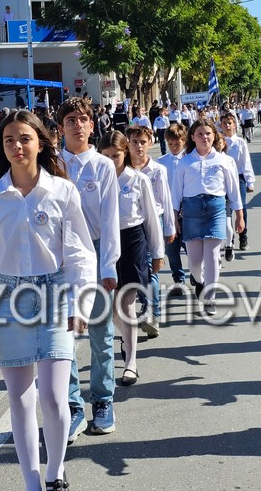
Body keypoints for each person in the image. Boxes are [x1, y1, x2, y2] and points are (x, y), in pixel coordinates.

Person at [0, 109, 96, 491]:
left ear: (40, 143)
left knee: (53, 399)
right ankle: (32, 483)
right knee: (20, 400)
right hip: (8, 298)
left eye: (25, 138)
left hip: (55, 294)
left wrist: (80, 304)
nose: (17, 146)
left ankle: (55, 470)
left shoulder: (62, 191)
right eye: (9, 140)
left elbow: (80, 254)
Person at [56, 97, 120, 443]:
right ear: (61, 127)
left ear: (92, 125)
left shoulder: (102, 166)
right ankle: (72, 406)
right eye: (70, 120)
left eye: (83, 119)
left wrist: (108, 264)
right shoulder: (51, 163)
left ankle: (103, 400)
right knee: (61, 335)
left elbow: (110, 219)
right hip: (59, 255)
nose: (77, 125)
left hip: (94, 253)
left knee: (100, 334)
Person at [98, 130, 164, 386]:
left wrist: (157, 252)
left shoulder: (138, 179)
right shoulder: (95, 182)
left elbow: (151, 219)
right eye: (106, 156)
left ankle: (131, 363)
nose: (111, 161)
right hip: (105, 241)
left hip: (132, 240)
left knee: (126, 302)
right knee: (112, 308)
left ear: (124, 153)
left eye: (115, 155)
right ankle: (127, 337)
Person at [171, 119, 244, 316]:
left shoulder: (224, 160)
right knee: (194, 261)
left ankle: (210, 298)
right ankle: (200, 281)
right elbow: (176, 193)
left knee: (212, 255)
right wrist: (174, 218)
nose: (204, 137)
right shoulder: (185, 162)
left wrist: (239, 215)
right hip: (191, 211)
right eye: (200, 134)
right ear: (193, 137)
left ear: (214, 136)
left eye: (208, 133)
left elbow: (233, 190)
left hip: (216, 209)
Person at [125, 125, 175, 339]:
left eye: (142, 142)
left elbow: (166, 199)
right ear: (127, 143)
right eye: (134, 142)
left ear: (150, 143)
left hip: (155, 221)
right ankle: (147, 306)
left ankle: (152, 314)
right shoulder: (123, 170)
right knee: (138, 269)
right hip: (133, 224)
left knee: (151, 268)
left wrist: (170, 227)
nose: (138, 146)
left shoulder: (158, 170)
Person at [158, 123, 188, 287]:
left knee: (190, 245)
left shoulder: (189, 159)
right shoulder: (161, 162)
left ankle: (197, 273)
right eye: (170, 144)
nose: (174, 147)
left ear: (184, 141)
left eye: (177, 143)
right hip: (168, 210)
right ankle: (178, 278)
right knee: (171, 248)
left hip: (187, 209)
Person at [221, 113, 255, 253]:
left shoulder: (240, 142)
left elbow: (245, 162)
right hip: (222, 179)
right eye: (224, 123)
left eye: (230, 123)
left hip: (238, 177)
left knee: (241, 206)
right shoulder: (218, 142)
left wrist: (249, 181)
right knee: (225, 209)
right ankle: (230, 237)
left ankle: (243, 235)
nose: (227, 126)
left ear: (235, 125)